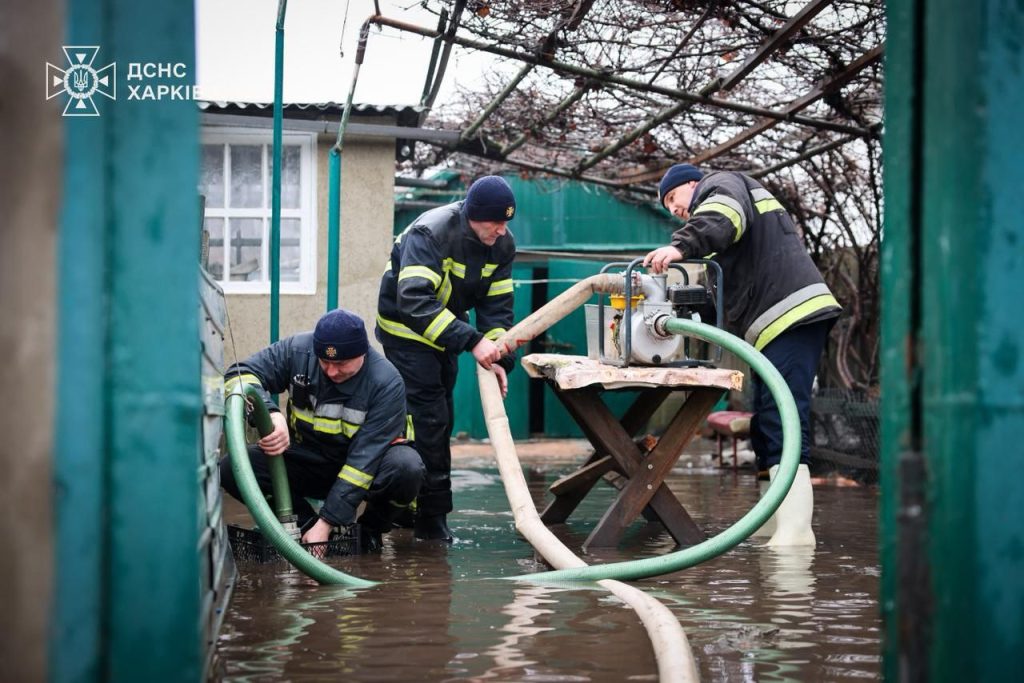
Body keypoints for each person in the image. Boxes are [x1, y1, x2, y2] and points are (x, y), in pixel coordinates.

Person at [643, 163, 841, 546]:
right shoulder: (723, 230)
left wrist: (680, 246)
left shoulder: (721, 186)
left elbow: (723, 216)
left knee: (785, 417)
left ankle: (798, 531)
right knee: (768, 421)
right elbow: (723, 297)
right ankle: (774, 521)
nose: (674, 209)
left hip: (793, 314)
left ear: (692, 184)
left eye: (672, 198)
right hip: (776, 324)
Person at [376, 175, 518, 542]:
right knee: (431, 418)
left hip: (446, 335)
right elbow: (414, 302)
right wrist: (472, 342)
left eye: (506, 223)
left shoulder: (501, 244)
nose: (501, 231)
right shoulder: (431, 233)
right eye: (495, 222)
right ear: (473, 215)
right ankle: (430, 520)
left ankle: (406, 503)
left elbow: (497, 308)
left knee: (439, 418)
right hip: (405, 332)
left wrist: (498, 353)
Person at [220, 308, 425, 552]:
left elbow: (363, 462)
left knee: (406, 468)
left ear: (363, 354)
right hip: (307, 460)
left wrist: (328, 521)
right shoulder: (297, 350)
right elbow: (237, 375)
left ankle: (368, 533)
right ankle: (304, 526)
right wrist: (270, 412)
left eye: (341, 364)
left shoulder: (386, 383)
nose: (331, 371)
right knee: (232, 468)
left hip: (360, 469)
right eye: (324, 361)